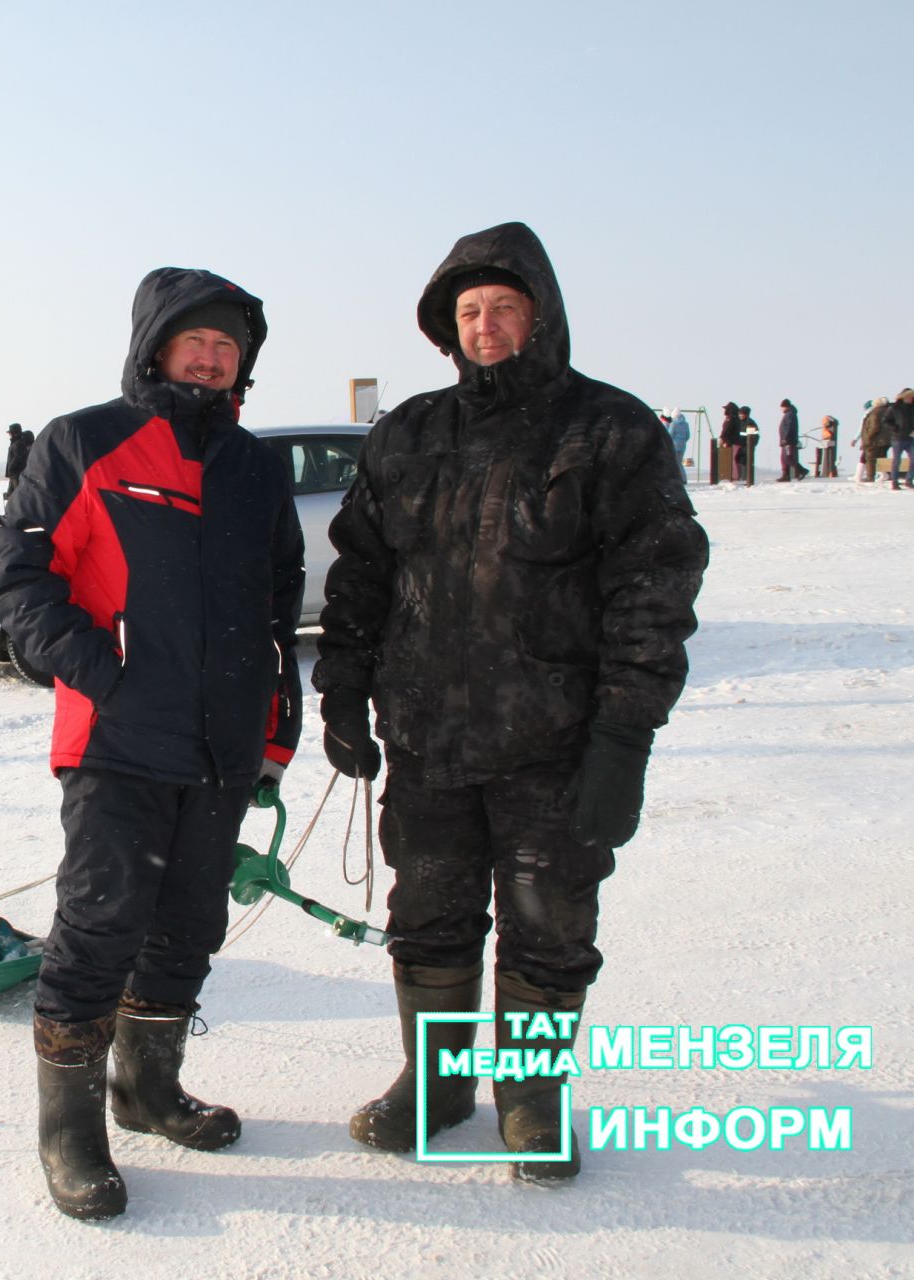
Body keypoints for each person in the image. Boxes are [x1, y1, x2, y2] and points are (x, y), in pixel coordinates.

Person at [312, 222, 708, 1184]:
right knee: (430, 916)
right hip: (429, 740)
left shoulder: (608, 431)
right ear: (448, 328)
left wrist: (623, 738)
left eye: (503, 309)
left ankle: (532, 1099)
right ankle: (438, 1083)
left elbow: (654, 591)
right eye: (469, 312)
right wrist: (344, 692)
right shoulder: (408, 432)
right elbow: (360, 574)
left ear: (541, 316)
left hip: (555, 745)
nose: (485, 327)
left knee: (550, 922)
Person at [0, 267, 303, 1221]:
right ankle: (71, 1133)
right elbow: (19, 574)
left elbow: (279, 605)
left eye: (227, 348)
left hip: (221, 744)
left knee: (189, 927)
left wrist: (275, 727)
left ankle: (146, 1089)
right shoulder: (85, 440)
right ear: (157, 347)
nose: (211, 359)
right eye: (194, 342)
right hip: (118, 737)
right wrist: (101, 672)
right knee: (99, 928)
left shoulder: (252, 466)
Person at [885, 388, 914, 490]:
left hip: (910, 439)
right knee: (897, 460)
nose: (910, 399)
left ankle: (909, 480)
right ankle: (894, 482)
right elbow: (886, 420)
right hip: (897, 439)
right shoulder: (894, 408)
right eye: (908, 397)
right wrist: (895, 429)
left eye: (912, 397)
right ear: (903, 397)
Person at [776, 399, 807, 481]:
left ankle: (802, 470)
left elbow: (789, 427)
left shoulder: (790, 414)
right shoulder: (788, 414)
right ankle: (785, 475)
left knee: (788, 457)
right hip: (785, 441)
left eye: (782, 407)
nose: (781, 409)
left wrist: (785, 438)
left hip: (788, 440)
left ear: (785, 406)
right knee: (783, 458)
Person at [3, 422, 32, 499]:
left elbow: (18, 457)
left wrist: (11, 467)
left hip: (16, 474)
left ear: (14, 433)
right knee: (11, 495)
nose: (9, 434)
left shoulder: (18, 443)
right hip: (13, 474)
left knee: (18, 496)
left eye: (10, 433)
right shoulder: (15, 443)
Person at [719, 403, 745, 483]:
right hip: (736, 441)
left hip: (731, 442)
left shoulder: (730, 419)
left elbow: (727, 429)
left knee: (731, 459)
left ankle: (734, 475)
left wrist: (722, 438)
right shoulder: (736, 419)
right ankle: (735, 475)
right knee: (733, 459)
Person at [666, 412, 691, 481]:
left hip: (674, 445)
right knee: (679, 462)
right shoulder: (686, 424)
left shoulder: (673, 424)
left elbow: (670, 435)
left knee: (675, 462)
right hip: (683, 445)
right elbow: (688, 435)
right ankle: (683, 478)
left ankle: (678, 479)